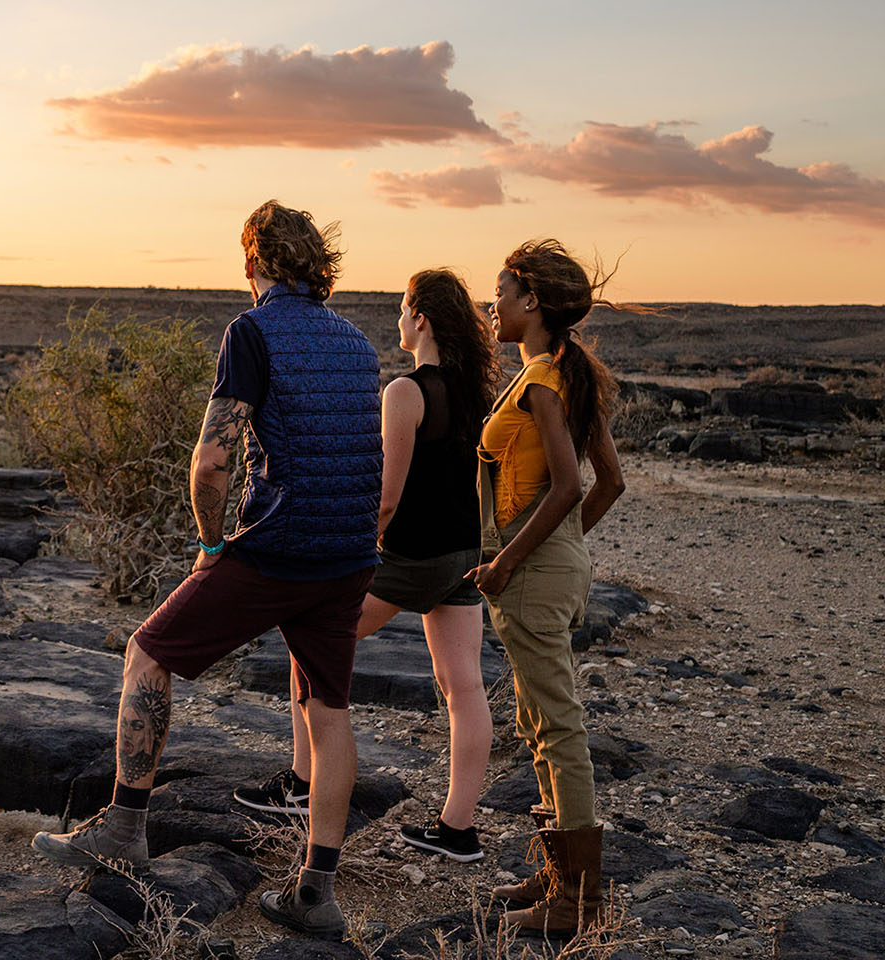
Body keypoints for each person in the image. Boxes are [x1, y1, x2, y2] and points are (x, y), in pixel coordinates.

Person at [31, 200, 384, 941]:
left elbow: (213, 457)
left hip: (276, 547)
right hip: (349, 555)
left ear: (254, 262)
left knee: (147, 655)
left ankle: (124, 829)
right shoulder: (357, 340)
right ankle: (315, 891)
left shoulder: (250, 331)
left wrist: (211, 541)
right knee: (330, 711)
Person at [233, 269, 499, 865]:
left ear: (421, 319)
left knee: (310, 639)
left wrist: (354, 547)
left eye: (405, 309)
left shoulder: (405, 393)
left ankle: (303, 785)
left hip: (406, 558)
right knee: (464, 687)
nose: (399, 320)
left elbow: (385, 497)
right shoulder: (478, 393)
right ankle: (458, 828)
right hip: (462, 556)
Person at [467, 239, 629, 935]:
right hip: (554, 565)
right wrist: (562, 548)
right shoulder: (568, 371)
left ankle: (579, 903)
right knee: (538, 722)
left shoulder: (542, 381)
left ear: (531, 302)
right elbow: (609, 483)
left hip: (531, 573)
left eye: (499, 293)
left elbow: (569, 485)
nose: (491, 305)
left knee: (556, 725)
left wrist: (510, 563)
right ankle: (560, 872)